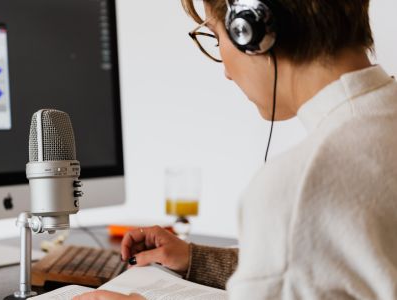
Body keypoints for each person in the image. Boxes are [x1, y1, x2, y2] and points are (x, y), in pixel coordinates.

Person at [75, 0, 397, 299]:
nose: (227, 72)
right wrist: (195, 259)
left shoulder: (298, 190)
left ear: (251, 28)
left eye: (217, 38)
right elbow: (333, 265)